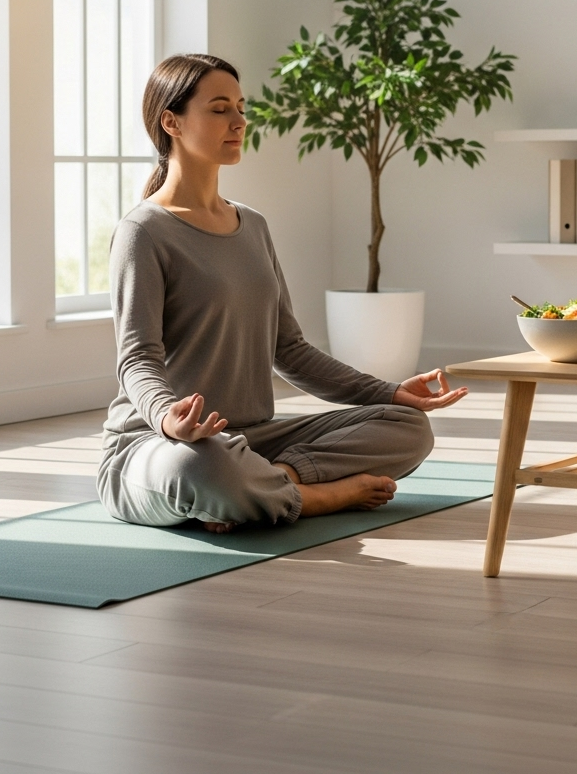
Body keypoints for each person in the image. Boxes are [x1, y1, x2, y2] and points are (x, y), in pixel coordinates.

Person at [98, 53, 468, 533]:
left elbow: (288, 350)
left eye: (241, 107)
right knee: (198, 466)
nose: (239, 122)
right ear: (172, 122)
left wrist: (391, 392)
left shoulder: (252, 225)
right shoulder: (143, 231)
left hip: (253, 442)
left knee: (409, 427)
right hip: (159, 445)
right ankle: (314, 497)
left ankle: (270, 486)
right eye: (219, 109)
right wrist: (169, 419)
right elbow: (137, 359)